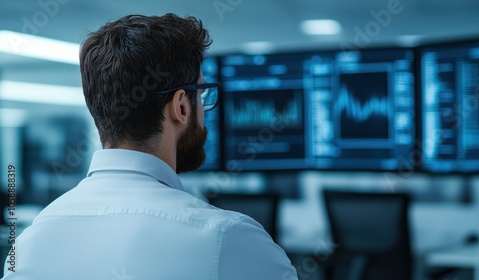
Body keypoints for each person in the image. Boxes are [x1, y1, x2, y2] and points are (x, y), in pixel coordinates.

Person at [2, 13, 297, 280]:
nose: (204, 112)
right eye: (202, 96)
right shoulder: (231, 240)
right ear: (181, 106)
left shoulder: (30, 245)